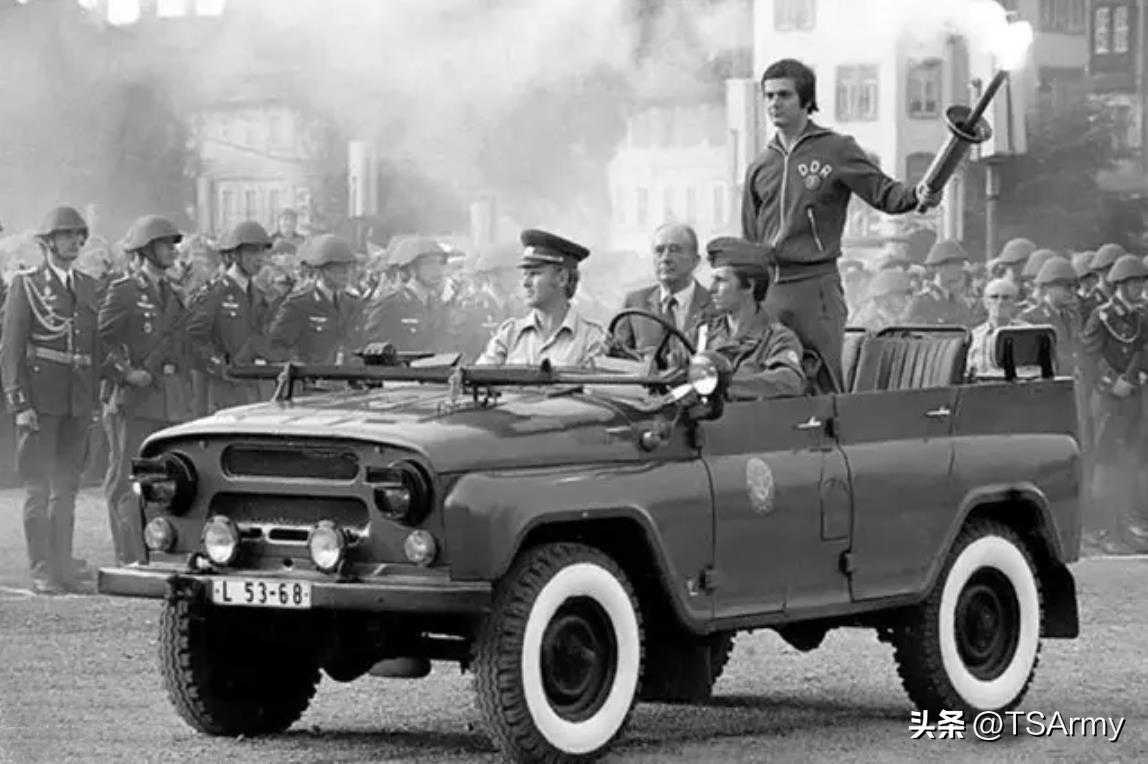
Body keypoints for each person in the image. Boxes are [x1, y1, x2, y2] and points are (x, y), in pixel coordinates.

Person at [741, 58, 942, 388]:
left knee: (823, 379)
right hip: (770, 290)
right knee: (769, 381)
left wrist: (918, 194)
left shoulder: (836, 149)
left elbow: (885, 194)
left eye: (784, 95)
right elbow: (749, 237)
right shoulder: (760, 165)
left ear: (806, 100)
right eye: (769, 96)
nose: (774, 103)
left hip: (815, 286)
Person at [0, 206, 99, 594]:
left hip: (77, 400)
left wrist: (93, 401)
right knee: (38, 488)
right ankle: (42, 568)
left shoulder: (87, 285)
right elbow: (11, 350)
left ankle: (63, 566)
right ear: (48, 242)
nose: (75, 242)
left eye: (79, 235)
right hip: (40, 401)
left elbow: (93, 346)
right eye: (67, 235)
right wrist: (19, 403)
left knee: (67, 488)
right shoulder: (26, 285)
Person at [98, 215, 190, 566]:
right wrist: (126, 373)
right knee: (125, 479)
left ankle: (152, 550)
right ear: (146, 249)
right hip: (132, 398)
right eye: (165, 244)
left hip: (164, 399)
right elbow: (100, 340)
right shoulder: (124, 290)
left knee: (158, 479)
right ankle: (129, 555)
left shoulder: (173, 294)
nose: (172, 251)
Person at [1081, 254, 1148, 553]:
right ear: (1120, 284)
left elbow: (1143, 350)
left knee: (1128, 460)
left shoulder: (1140, 316)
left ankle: (1123, 525)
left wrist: (1133, 378)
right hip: (1107, 399)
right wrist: (1112, 383)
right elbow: (1089, 356)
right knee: (1105, 463)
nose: (1139, 288)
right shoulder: (1103, 316)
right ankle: (1103, 528)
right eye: (1134, 283)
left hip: (1131, 395)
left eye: (1142, 282)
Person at [476, 229, 606, 368]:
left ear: (562, 278)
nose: (525, 283)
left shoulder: (591, 339)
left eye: (534, 273)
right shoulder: (509, 335)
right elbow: (478, 376)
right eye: (525, 274)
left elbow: (597, 381)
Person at [694, 237, 804, 399]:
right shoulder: (702, 334)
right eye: (713, 280)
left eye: (721, 280)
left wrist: (720, 385)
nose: (712, 289)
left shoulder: (777, 338)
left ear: (749, 286)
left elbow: (789, 381)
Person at [186, 221, 274, 412]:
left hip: (254, 391)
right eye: (252, 252)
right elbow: (193, 338)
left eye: (262, 252)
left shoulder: (258, 296)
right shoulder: (214, 293)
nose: (260, 258)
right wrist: (219, 366)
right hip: (221, 392)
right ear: (234, 255)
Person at [613, 223, 713, 357]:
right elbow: (617, 359)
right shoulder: (635, 304)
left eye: (675, 250)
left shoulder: (714, 305)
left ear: (695, 261)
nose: (665, 258)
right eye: (659, 251)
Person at [269, 234, 362, 364]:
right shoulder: (299, 305)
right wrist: (297, 367)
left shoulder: (353, 304)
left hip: (347, 374)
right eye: (338, 268)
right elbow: (275, 346)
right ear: (322, 270)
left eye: (348, 267)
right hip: (311, 375)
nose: (345, 273)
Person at [362, 236, 451, 351]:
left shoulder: (438, 305)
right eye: (429, 263)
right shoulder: (390, 305)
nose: (437, 269)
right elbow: (371, 347)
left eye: (440, 262)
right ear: (411, 268)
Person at [905, 239, 978, 327]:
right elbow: (907, 331)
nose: (960, 268)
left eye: (961, 264)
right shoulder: (921, 302)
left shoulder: (960, 303)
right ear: (939, 267)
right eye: (956, 263)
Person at [967, 278, 1029, 378]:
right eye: (994, 297)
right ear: (985, 302)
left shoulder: (1027, 333)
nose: (1000, 302)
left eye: (1006, 297)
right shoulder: (974, 336)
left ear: (1014, 303)